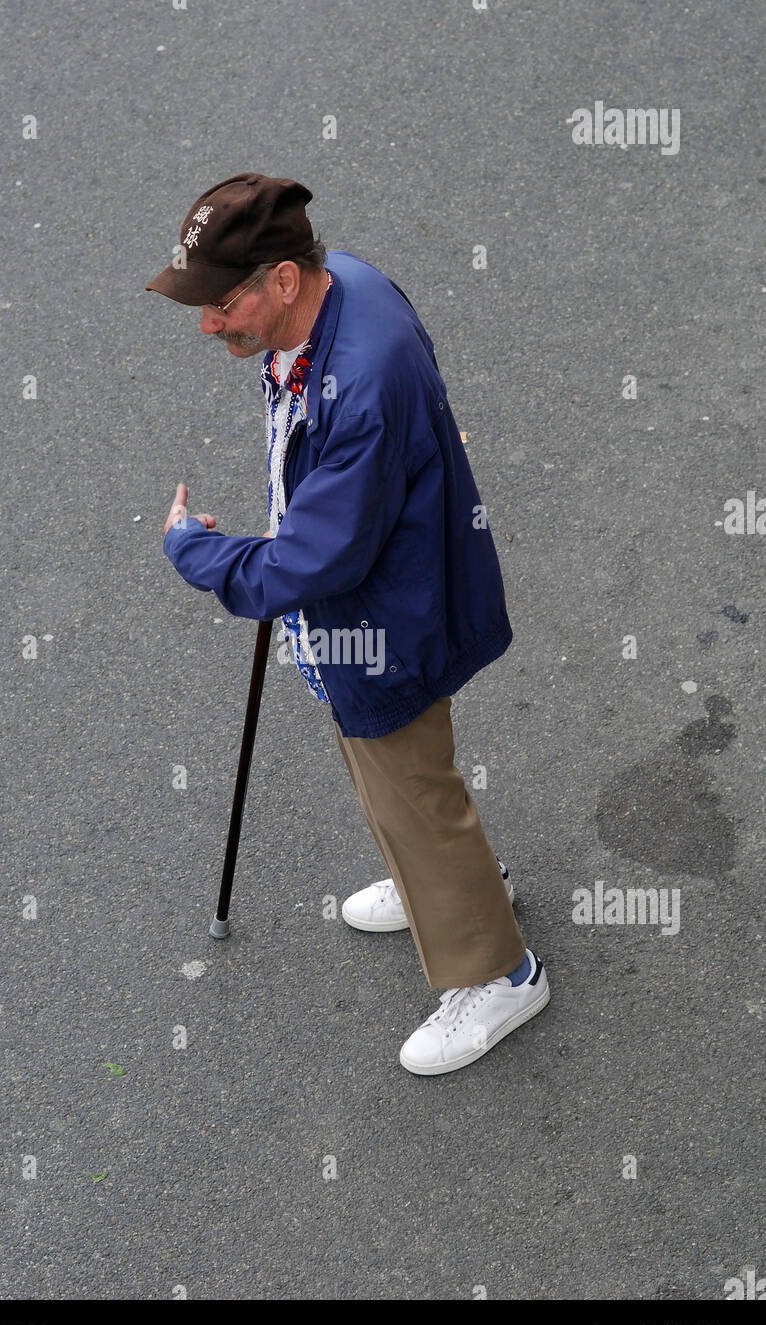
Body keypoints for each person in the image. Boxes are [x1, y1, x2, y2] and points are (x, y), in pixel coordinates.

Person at [146, 172, 549, 1075]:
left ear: (284, 280)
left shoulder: (360, 383)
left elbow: (311, 563)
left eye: (222, 303)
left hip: (383, 621)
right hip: (395, 593)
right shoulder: (347, 287)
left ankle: (499, 969)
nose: (210, 324)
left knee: (407, 779)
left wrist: (197, 552)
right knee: (401, 781)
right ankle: (446, 889)